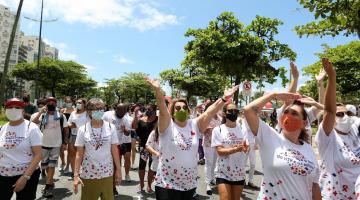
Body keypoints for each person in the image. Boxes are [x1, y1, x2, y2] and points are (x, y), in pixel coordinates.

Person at [145, 76, 239, 200]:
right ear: (172, 113)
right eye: (178, 108)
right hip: (166, 183)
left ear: (189, 111)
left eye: (185, 108)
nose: (181, 110)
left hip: (189, 184)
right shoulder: (167, 126)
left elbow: (209, 112)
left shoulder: (194, 125)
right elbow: (162, 110)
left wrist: (223, 99)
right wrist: (158, 91)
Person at [244, 91, 321, 198]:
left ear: (304, 123)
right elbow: (248, 111)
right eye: (286, 112)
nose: (288, 116)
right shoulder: (270, 137)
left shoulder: (308, 148)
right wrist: (273, 95)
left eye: (294, 113)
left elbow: (314, 185)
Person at [315, 58, 360, 200]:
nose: (345, 116)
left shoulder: (354, 132)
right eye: (339, 114)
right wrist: (331, 78)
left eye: (348, 113)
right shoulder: (327, 137)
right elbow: (328, 109)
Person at [73, 98, 121, 200]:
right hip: (89, 173)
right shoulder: (82, 129)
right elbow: (79, 154)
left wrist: (118, 170)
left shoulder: (111, 127)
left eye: (101, 108)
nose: (100, 111)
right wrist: (76, 175)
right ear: (89, 111)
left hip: (107, 173)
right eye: (96, 109)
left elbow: (114, 150)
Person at [0, 98, 42, 200]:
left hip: (27, 175)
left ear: (23, 111)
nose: (13, 110)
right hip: (4, 174)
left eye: (17, 107)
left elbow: (38, 155)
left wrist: (25, 177)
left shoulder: (31, 128)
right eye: (10, 107)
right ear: (5, 110)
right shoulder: (3, 128)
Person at [32, 97, 69, 198]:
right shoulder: (42, 115)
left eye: (53, 102)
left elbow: (66, 130)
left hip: (56, 145)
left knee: (51, 165)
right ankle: (50, 181)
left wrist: (65, 142)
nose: (51, 104)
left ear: (56, 104)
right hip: (43, 144)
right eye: (49, 103)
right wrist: (40, 112)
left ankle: (48, 187)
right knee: (46, 166)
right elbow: (34, 122)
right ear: (46, 104)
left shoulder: (61, 116)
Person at [211, 103, 248, 200]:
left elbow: (246, 147)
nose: (233, 113)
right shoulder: (218, 129)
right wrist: (235, 149)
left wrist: (245, 148)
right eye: (230, 111)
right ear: (224, 113)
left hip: (239, 172)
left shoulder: (242, 129)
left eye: (236, 111)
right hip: (223, 172)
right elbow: (219, 151)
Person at [102, 104, 133, 184]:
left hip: (117, 145)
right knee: (106, 165)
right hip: (106, 144)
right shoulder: (107, 115)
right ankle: (104, 182)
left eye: (124, 112)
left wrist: (125, 130)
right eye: (120, 111)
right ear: (116, 109)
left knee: (116, 165)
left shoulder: (125, 119)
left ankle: (113, 187)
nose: (122, 113)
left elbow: (127, 134)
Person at [132, 104, 158, 194]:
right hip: (143, 147)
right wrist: (135, 115)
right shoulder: (142, 120)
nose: (147, 110)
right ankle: (141, 183)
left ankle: (149, 186)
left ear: (154, 110)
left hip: (154, 148)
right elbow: (134, 126)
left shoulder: (158, 120)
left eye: (149, 109)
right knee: (142, 166)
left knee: (152, 168)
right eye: (146, 109)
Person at [202, 101, 222, 195]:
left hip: (217, 144)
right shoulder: (206, 117)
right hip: (208, 143)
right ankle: (207, 183)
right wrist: (206, 129)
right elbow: (200, 130)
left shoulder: (220, 118)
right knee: (208, 163)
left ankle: (212, 178)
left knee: (215, 162)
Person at [66, 98, 89, 175]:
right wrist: (71, 125)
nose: (78, 104)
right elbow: (68, 123)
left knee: (83, 156)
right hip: (73, 136)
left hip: (84, 137)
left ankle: (84, 171)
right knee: (72, 155)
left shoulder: (87, 113)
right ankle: (74, 172)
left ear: (84, 104)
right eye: (77, 103)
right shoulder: (73, 113)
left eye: (80, 103)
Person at [59, 96, 75, 172]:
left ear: (72, 102)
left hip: (72, 130)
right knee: (61, 149)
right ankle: (63, 162)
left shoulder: (75, 110)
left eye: (70, 101)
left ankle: (68, 166)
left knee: (70, 149)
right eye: (67, 102)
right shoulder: (62, 110)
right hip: (63, 131)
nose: (68, 103)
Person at [145, 125, 160, 193]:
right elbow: (147, 145)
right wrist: (156, 153)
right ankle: (149, 186)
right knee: (151, 171)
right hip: (156, 157)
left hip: (169, 160)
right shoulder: (154, 133)